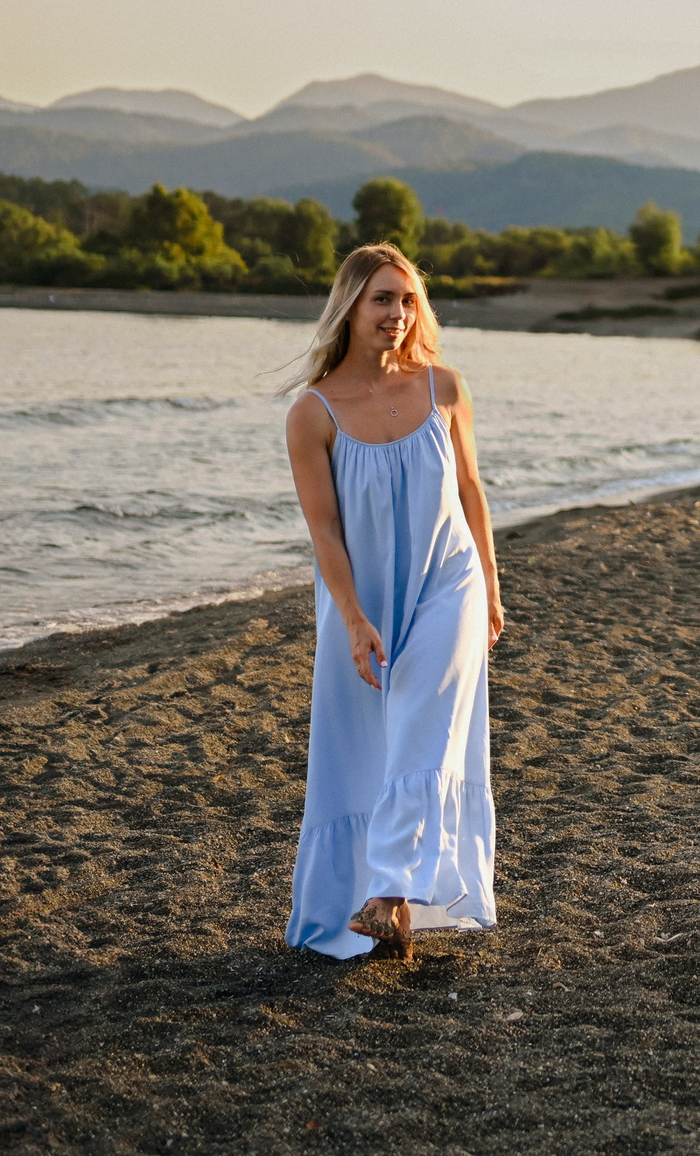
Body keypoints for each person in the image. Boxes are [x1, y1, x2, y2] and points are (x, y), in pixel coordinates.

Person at [281, 244, 505, 960]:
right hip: (363, 596)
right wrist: (350, 616)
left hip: (452, 581)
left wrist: (492, 587)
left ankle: (389, 891)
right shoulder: (312, 414)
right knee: (364, 748)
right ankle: (387, 907)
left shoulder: (444, 387)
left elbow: (471, 490)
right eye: (383, 299)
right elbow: (324, 529)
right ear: (350, 306)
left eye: (408, 300)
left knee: (421, 720)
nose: (398, 314)